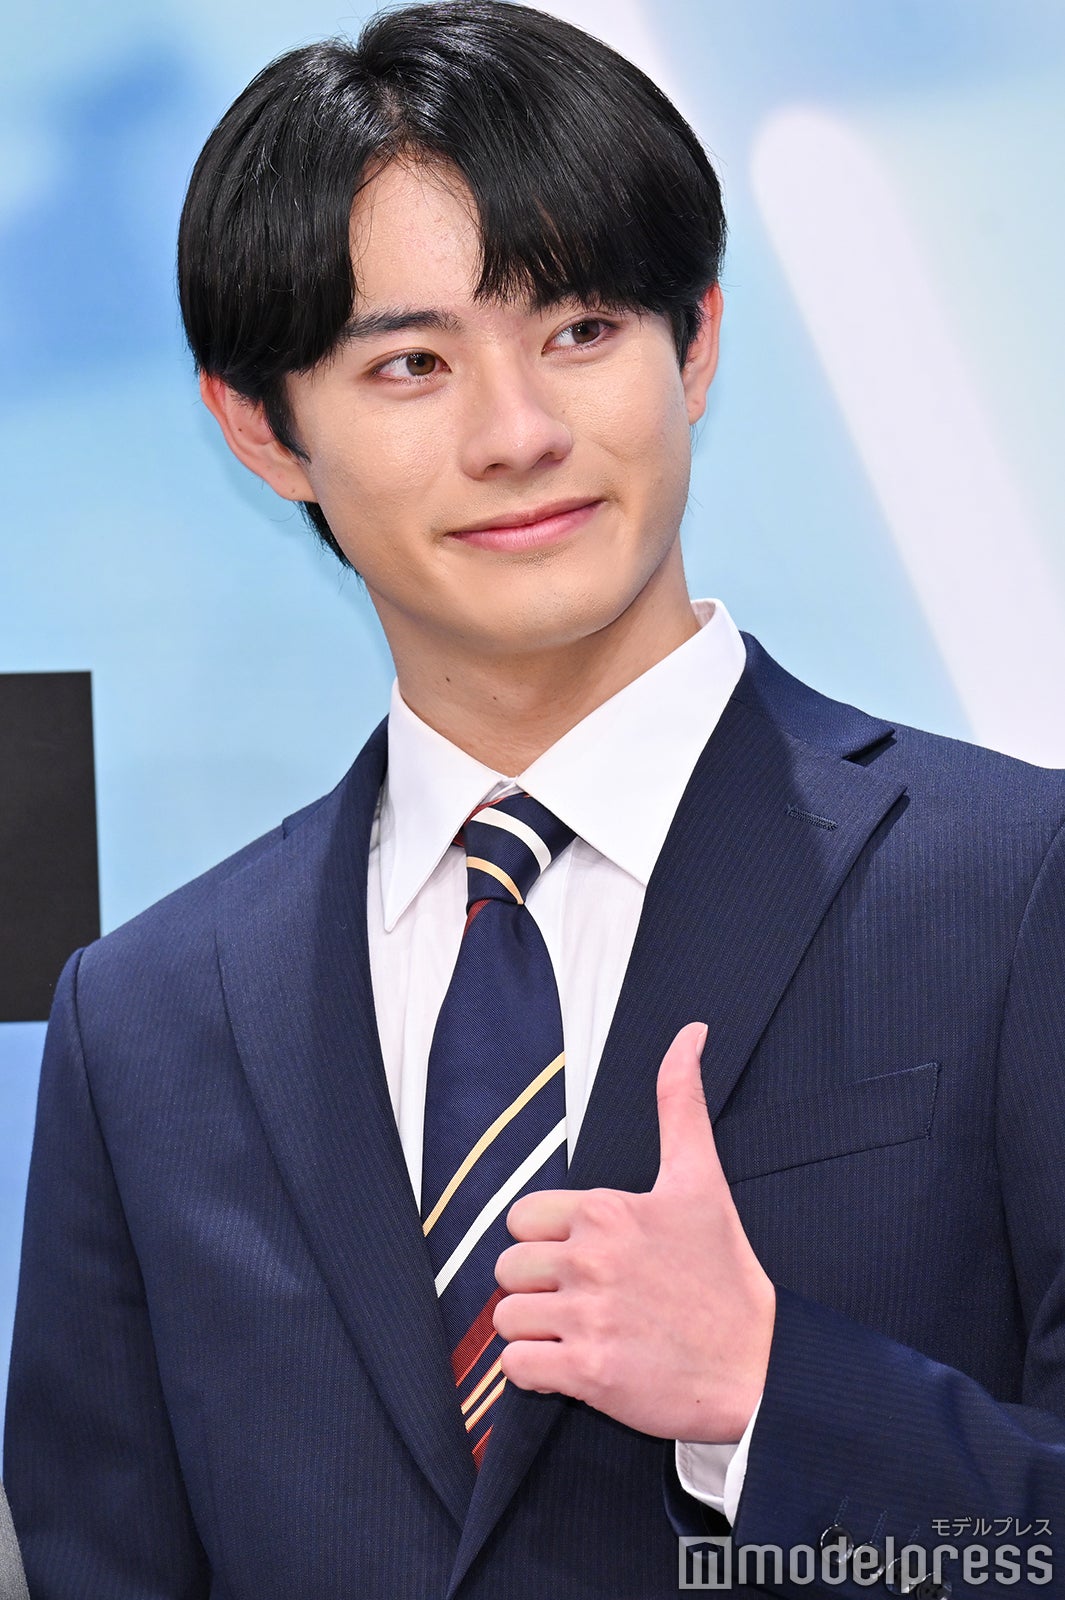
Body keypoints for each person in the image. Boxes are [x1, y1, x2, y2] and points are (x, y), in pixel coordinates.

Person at [5, 3, 1065, 1595]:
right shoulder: (146, 1022)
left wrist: (771, 1397)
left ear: (693, 343)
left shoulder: (1013, 885)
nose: (517, 436)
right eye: (411, 364)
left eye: (578, 331)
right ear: (262, 429)